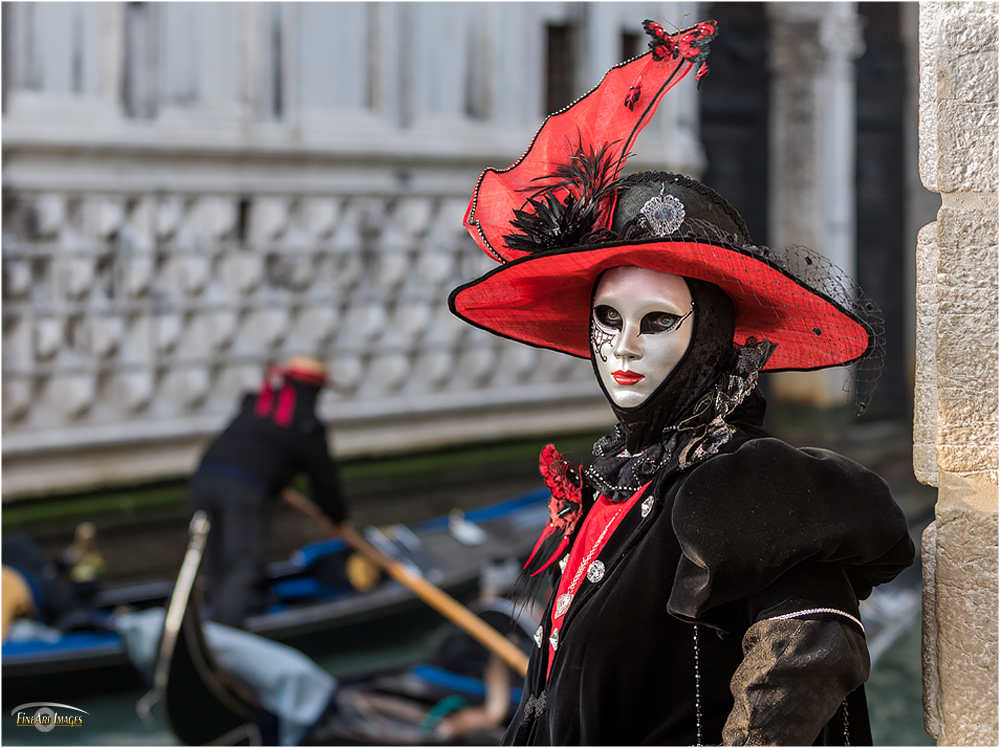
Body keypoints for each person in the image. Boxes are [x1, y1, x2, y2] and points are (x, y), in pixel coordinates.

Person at [447, 19, 914, 746]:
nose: (622, 347)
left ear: (710, 339)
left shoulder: (749, 488)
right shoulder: (623, 481)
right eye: (607, 317)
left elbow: (812, 656)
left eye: (657, 322)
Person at [188, 355, 349, 628]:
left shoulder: (256, 404)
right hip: (241, 491)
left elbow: (257, 449)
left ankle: (219, 619)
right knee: (243, 561)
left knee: (218, 561)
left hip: (202, 480)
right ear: (316, 390)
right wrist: (336, 518)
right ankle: (226, 633)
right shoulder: (307, 422)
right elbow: (324, 480)